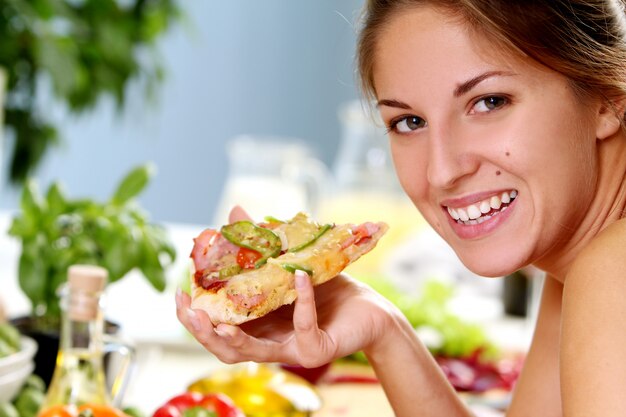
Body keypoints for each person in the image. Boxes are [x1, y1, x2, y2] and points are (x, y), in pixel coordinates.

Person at [176, 1, 626, 415]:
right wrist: (382, 329)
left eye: (490, 102)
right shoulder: (579, 269)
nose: (442, 171)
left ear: (607, 95)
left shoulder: (611, 270)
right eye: (409, 122)